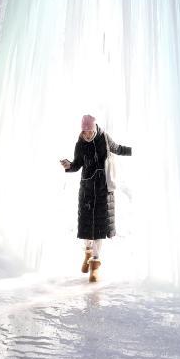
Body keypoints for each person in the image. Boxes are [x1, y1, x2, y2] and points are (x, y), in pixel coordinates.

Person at [60, 114, 132, 282]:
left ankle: (95, 264)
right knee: (87, 230)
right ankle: (87, 252)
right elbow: (77, 164)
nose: (87, 135)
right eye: (84, 132)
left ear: (94, 128)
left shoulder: (104, 138)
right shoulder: (79, 144)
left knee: (100, 228)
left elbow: (118, 149)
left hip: (104, 190)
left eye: (89, 131)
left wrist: (135, 150)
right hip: (86, 190)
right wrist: (69, 165)